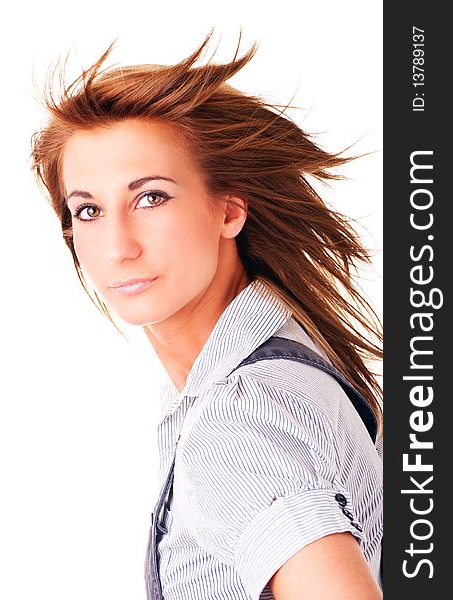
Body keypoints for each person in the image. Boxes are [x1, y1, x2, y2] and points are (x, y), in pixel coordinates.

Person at [31, 30, 383, 600]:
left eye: (151, 197)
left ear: (229, 209)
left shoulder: (240, 416)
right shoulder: (282, 367)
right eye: (88, 210)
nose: (117, 245)